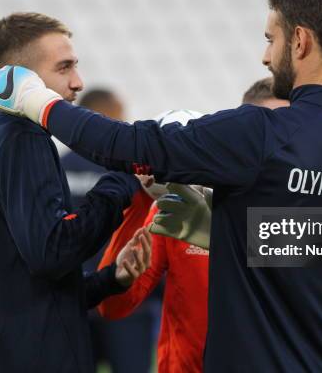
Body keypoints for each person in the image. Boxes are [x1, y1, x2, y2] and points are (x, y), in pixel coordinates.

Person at [0, 0, 322, 372]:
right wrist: (227, 232)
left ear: (299, 41)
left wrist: (38, 103)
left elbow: (132, 146)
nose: (264, 55)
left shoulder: (260, 131)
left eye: (269, 38)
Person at [0, 12, 151, 373]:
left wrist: (111, 279)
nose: (78, 83)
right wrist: (122, 178)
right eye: (64, 68)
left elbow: (30, 286)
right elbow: (53, 251)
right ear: (24, 81)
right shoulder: (25, 138)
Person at [96, 80, 288, 373]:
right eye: (264, 136)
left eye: (286, 137)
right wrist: (139, 200)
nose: (275, 149)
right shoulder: (181, 210)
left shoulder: (308, 225)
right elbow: (112, 307)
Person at [61, 89, 157, 373]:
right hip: (123, 292)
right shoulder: (125, 168)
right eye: (119, 116)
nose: (123, 125)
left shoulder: (58, 167)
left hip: (76, 295)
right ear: (102, 117)